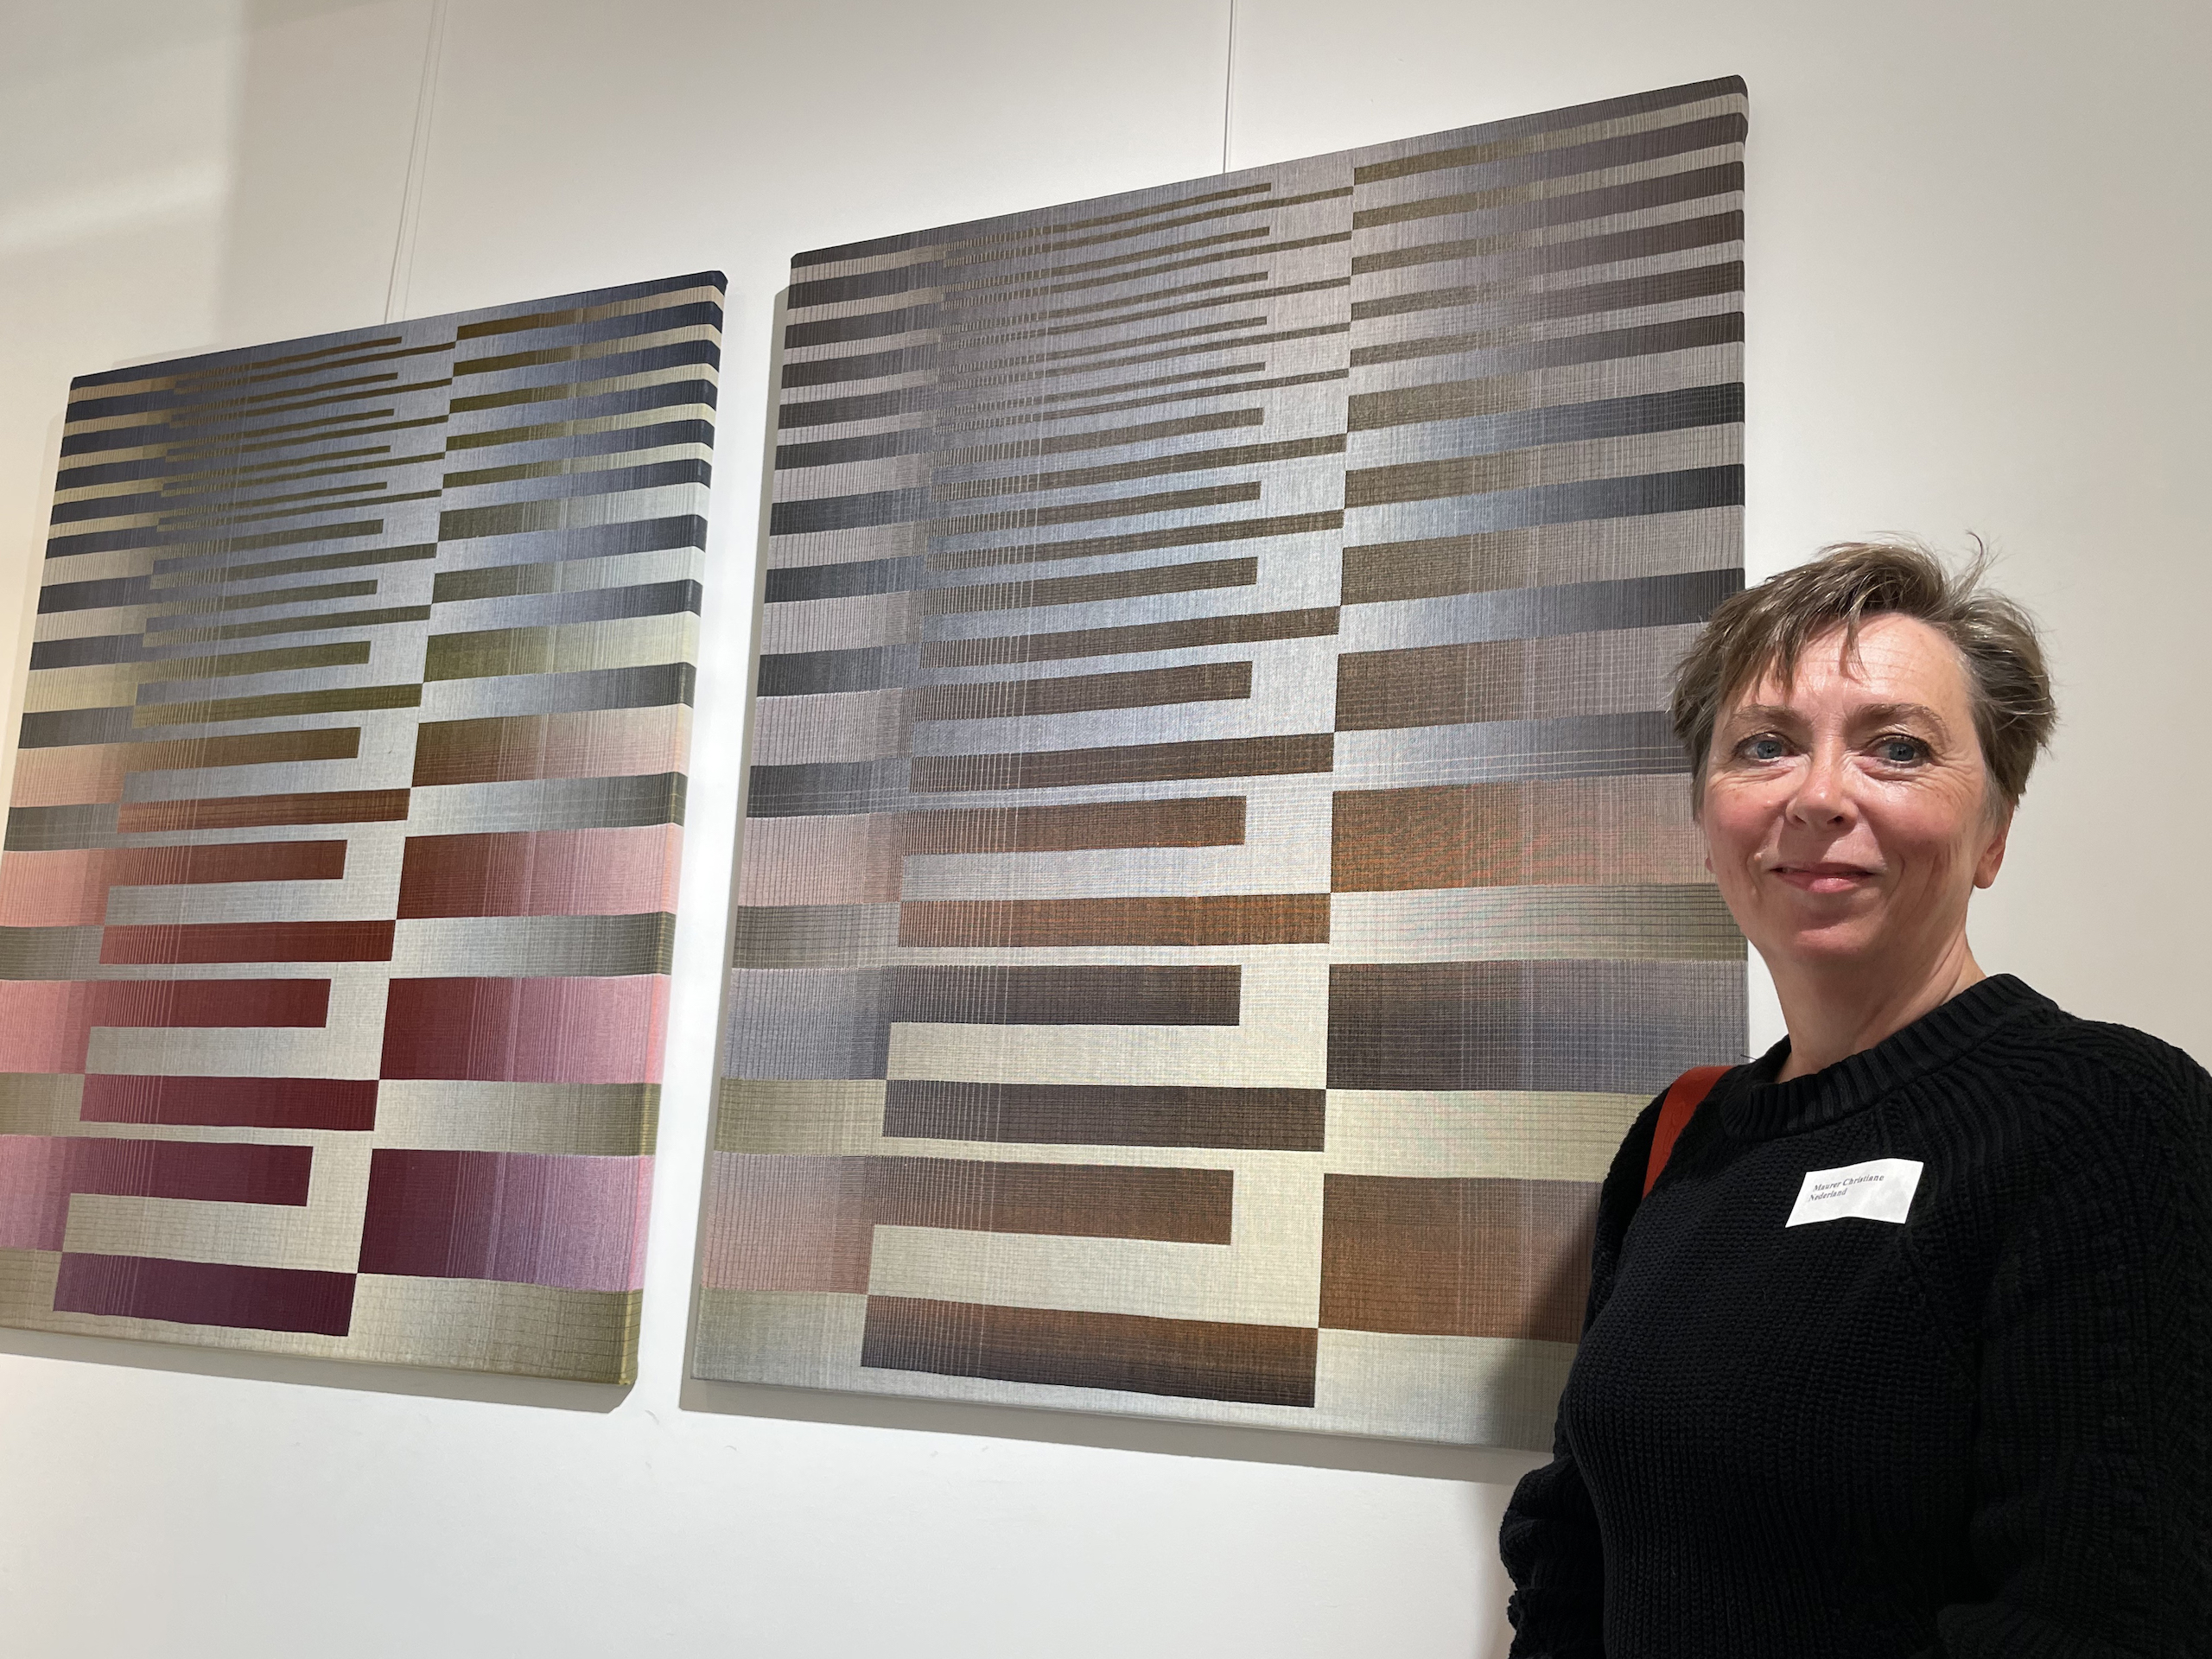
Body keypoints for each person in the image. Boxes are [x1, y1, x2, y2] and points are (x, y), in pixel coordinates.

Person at [1498, 542, 2211, 1656]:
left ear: (1994, 832)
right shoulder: (1683, 1133)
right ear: (1708, 824)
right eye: (1764, 746)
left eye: (1898, 748)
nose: (1820, 795)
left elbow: (2101, 1622)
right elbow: (1576, 1538)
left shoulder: (2112, 1121)